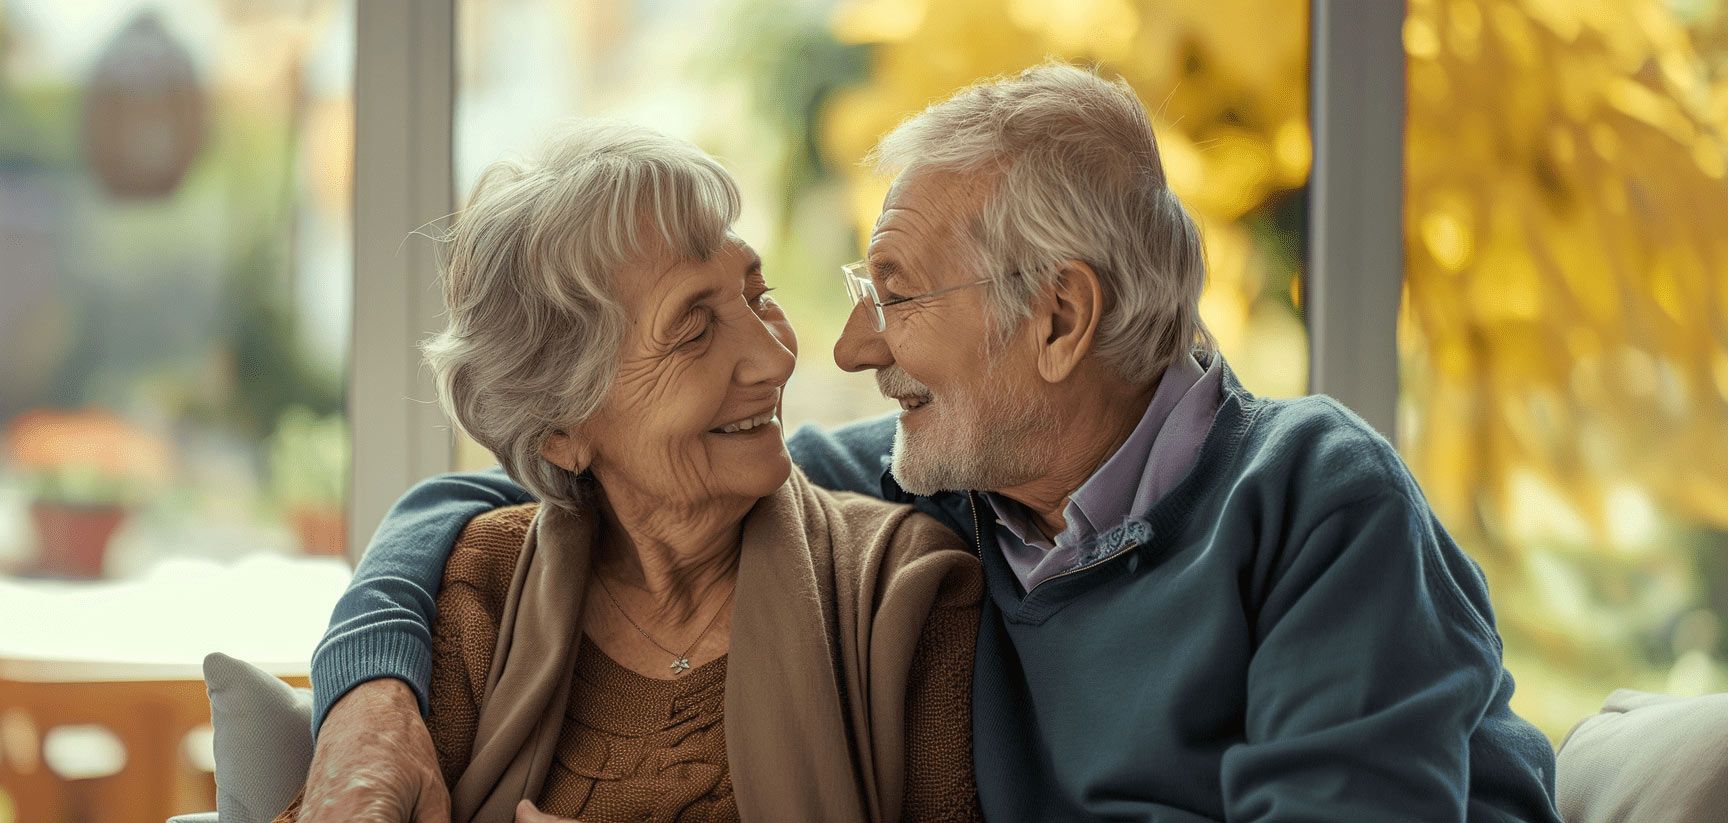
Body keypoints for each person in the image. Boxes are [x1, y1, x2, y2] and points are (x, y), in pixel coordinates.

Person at [303, 64, 1561, 822]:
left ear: (1059, 320)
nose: (842, 349)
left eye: (897, 294)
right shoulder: (939, 496)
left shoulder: (1315, 504)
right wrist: (369, 695)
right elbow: (522, 481)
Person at [288, 122, 980, 823]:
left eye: (757, 293)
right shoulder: (478, 591)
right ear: (562, 429)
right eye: (694, 328)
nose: (775, 360)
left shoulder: (908, 592)